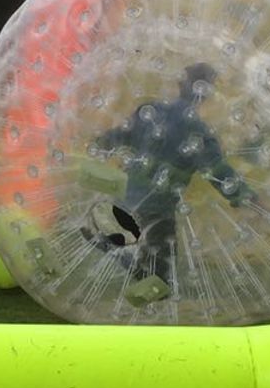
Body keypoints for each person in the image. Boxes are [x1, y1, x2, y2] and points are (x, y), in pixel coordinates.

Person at [86, 63, 256, 304]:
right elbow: (218, 172)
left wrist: (97, 143)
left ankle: (116, 250)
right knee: (163, 278)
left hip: (128, 197)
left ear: (180, 84)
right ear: (206, 91)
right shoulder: (197, 130)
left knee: (150, 264)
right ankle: (119, 254)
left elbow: (120, 135)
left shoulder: (152, 110)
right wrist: (249, 199)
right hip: (158, 207)